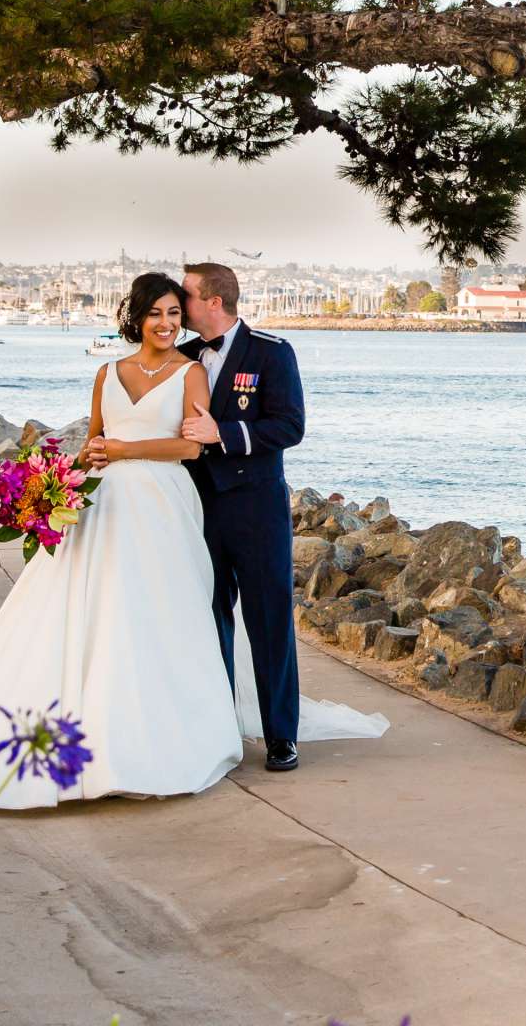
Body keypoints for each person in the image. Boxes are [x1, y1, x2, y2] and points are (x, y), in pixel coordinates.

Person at [0, 272, 243, 806]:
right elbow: (94, 439)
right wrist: (57, 481)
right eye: (156, 314)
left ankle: (147, 743)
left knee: (151, 613)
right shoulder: (107, 372)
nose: (168, 324)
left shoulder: (191, 373)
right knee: (83, 608)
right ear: (136, 317)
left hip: (161, 505)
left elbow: (192, 449)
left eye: (175, 313)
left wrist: (125, 451)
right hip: (103, 503)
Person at [173, 260, 385, 771]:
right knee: (208, 622)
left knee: (268, 624)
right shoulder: (180, 358)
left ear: (214, 302)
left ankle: (280, 736)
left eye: (187, 296)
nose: (180, 306)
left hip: (256, 508)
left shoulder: (271, 353)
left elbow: (290, 426)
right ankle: (218, 729)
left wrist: (223, 434)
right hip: (195, 506)